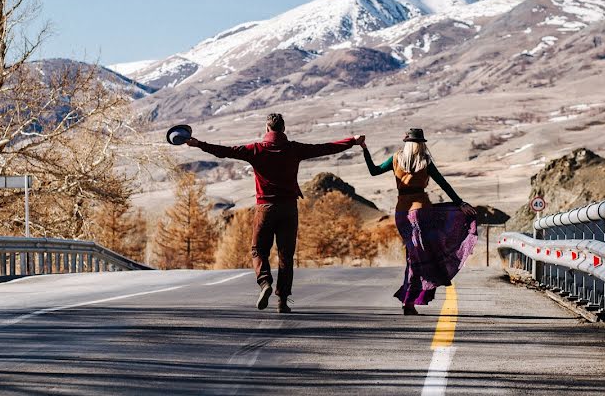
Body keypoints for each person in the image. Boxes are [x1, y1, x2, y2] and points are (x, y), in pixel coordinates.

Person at [186, 113, 364, 313]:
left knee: (259, 250)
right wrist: (352, 141)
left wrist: (198, 143)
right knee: (286, 255)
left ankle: (265, 283)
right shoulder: (294, 148)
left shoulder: (256, 150)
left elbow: (225, 151)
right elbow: (325, 148)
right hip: (289, 209)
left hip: (265, 209)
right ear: (283, 129)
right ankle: (282, 302)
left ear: (267, 128)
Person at [361, 128, 477, 315]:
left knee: (413, 256)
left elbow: (374, 171)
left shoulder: (396, 158)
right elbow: (443, 184)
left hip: (401, 213)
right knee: (424, 255)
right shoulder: (425, 161)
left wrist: (365, 149)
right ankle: (415, 296)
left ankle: (411, 299)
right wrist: (460, 203)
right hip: (421, 212)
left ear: (406, 142)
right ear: (421, 143)